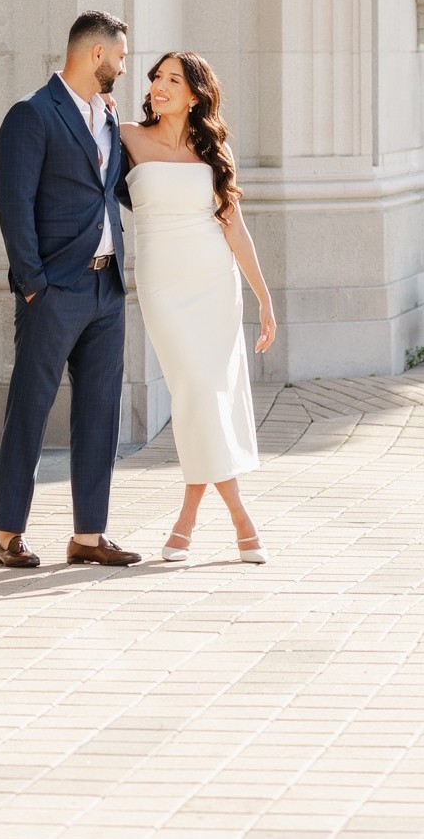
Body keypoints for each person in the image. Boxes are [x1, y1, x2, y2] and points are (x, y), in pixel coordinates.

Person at [0, 10, 143, 569]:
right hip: (54, 291)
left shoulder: (109, 115)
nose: (125, 68)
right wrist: (34, 286)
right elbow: (15, 208)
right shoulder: (32, 115)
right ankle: (9, 532)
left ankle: (89, 533)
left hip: (107, 288)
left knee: (100, 412)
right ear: (96, 54)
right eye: (121, 57)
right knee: (29, 409)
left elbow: (119, 191)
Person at [119, 51, 276, 563]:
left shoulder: (213, 149)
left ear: (194, 94)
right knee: (197, 393)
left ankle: (186, 527)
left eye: (173, 80)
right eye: (156, 78)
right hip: (163, 288)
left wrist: (264, 297)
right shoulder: (125, 136)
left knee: (203, 398)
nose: (159, 87)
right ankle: (241, 521)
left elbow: (233, 226)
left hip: (215, 284)